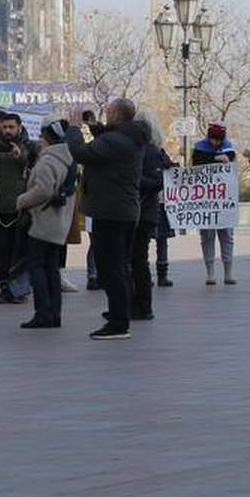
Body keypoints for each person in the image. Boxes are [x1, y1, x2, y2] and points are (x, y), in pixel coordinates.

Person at [64, 99, 148, 341]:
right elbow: (108, 139)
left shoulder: (116, 141)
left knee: (110, 269)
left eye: (110, 112)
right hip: (124, 210)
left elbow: (81, 153)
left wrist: (73, 127)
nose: (107, 115)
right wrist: (94, 126)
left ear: (118, 115)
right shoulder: (132, 137)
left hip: (110, 211)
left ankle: (118, 323)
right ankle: (119, 313)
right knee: (119, 266)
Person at [16, 119, 78, 329]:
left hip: (43, 222)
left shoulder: (48, 161)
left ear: (46, 137)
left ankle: (43, 313)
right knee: (52, 269)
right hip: (58, 222)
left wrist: (22, 200)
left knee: (38, 268)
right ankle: (54, 313)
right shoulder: (68, 159)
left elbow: (43, 190)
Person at [0, 113, 32, 305]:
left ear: (19, 128)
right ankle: (4, 287)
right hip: (0, 209)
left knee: (20, 251)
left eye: (11, 127)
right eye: (4, 127)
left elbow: (33, 168)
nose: (8, 131)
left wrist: (21, 158)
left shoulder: (28, 147)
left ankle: (20, 289)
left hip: (21, 208)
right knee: (1, 250)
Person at [131, 123, 171, 322]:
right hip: (135, 211)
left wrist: (134, 178)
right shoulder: (136, 151)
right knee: (133, 260)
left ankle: (143, 306)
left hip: (145, 212)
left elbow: (157, 182)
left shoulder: (152, 152)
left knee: (138, 260)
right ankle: (133, 303)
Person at [192, 122, 239, 285]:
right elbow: (197, 162)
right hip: (206, 201)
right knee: (207, 236)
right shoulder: (199, 148)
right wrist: (215, 158)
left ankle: (228, 272)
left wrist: (219, 158)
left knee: (227, 236)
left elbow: (231, 159)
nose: (215, 143)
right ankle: (210, 272)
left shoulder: (229, 147)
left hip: (224, 199)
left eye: (218, 140)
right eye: (212, 139)